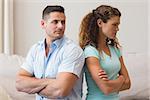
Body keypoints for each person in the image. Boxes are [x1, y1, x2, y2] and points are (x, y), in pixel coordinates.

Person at [16, 5, 84, 100]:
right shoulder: (35, 49)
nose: (60, 26)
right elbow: (19, 83)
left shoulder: (72, 50)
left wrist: (32, 86)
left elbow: (60, 90)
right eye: (55, 22)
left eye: (63, 22)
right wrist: (49, 82)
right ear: (43, 24)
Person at [79, 5, 131, 100]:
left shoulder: (115, 49)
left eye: (118, 25)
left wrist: (114, 83)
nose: (117, 29)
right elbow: (106, 88)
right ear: (100, 23)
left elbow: (128, 84)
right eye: (114, 24)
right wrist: (121, 79)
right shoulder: (90, 51)